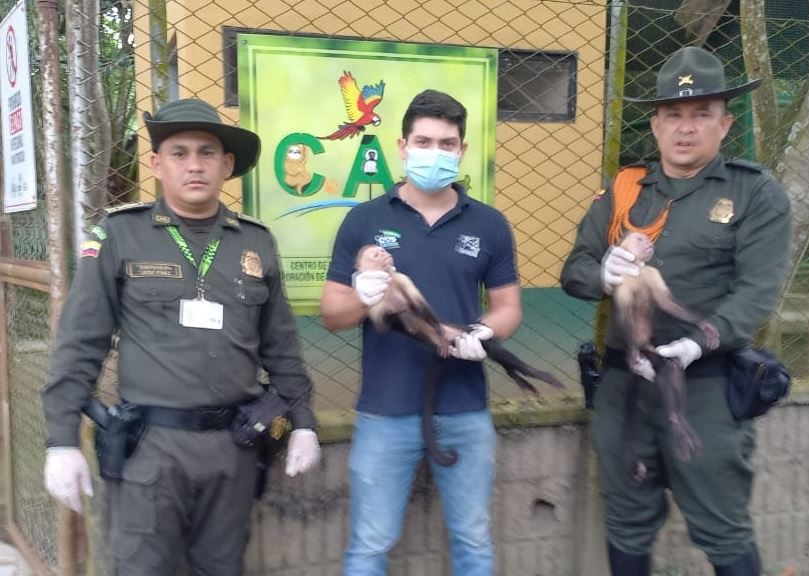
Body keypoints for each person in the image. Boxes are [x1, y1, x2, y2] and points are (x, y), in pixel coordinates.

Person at [41, 98, 321, 575]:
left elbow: (281, 345)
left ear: (227, 165)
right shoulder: (119, 235)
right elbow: (80, 342)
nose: (194, 165)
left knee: (222, 567)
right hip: (151, 449)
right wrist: (61, 441)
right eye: (179, 153)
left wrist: (305, 423)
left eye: (207, 153)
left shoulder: (255, 241)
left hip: (234, 447)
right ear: (156, 163)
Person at [561, 46, 791, 575]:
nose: (685, 128)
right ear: (656, 124)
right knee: (625, 520)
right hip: (624, 385)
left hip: (704, 387)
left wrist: (697, 342)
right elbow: (575, 270)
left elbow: (756, 292)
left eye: (701, 114)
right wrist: (604, 274)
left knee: (721, 526)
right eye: (673, 114)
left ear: (725, 123)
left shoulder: (755, 192)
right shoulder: (625, 189)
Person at [320, 89, 521, 576]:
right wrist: (366, 297)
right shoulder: (364, 220)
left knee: (473, 538)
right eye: (424, 142)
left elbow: (508, 309)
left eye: (447, 144)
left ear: (462, 150)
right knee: (369, 545)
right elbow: (332, 314)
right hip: (385, 410)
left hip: (465, 406)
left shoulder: (489, 224)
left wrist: (481, 333)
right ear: (403, 147)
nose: (435, 152)